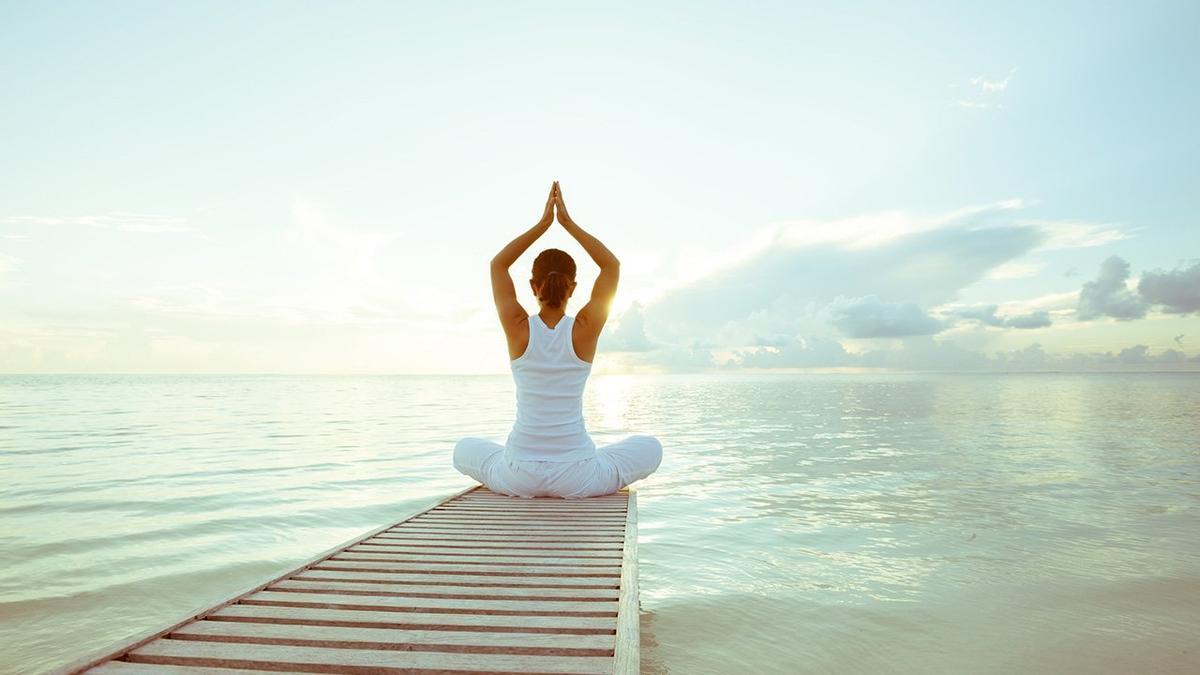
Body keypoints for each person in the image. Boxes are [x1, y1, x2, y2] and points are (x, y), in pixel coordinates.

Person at [453, 181, 663, 498]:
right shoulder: (584, 328)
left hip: (519, 474)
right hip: (577, 476)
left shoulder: (518, 327)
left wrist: (543, 225)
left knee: (463, 449)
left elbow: (498, 264)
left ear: (533, 286)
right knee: (651, 447)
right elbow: (611, 266)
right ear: (573, 288)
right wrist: (567, 223)